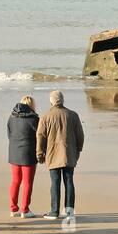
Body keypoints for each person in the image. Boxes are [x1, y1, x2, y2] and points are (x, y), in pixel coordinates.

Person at [35, 90, 84, 219]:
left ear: (51, 101)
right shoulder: (73, 115)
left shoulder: (45, 116)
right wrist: (78, 150)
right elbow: (80, 136)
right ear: (62, 100)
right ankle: (69, 212)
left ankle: (54, 211)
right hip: (69, 153)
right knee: (69, 181)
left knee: (55, 182)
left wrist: (40, 154)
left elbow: (40, 137)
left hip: (52, 154)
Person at [7, 96, 40, 217]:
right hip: (28, 154)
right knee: (27, 183)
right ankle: (25, 210)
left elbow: (9, 134)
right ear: (31, 105)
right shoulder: (34, 119)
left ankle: (13, 208)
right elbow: (40, 137)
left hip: (14, 153)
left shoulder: (12, 117)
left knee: (15, 181)